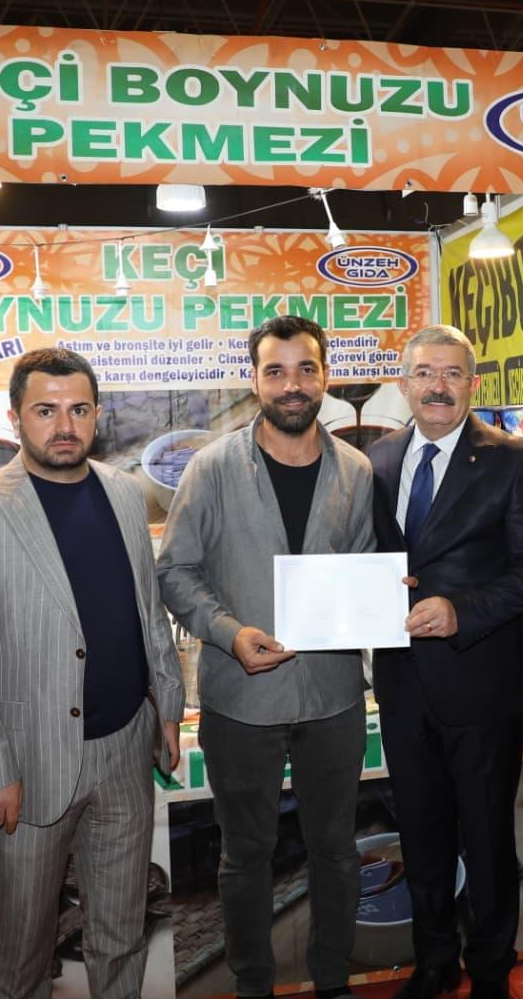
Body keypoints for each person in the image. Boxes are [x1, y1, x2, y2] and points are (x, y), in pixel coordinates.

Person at [0, 347, 185, 998]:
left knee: (121, 932)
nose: (64, 426)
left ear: (97, 415)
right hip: (29, 762)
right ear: (16, 418)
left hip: (126, 748)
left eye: (78, 410)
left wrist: (167, 704)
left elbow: (148, 610)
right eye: (45, 411)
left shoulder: (126, 494)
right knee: (20, 944)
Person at [156, 316, 374, 999]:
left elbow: (361, 568)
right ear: (254, 381)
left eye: (306, 369)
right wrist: (228, 632)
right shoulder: (213, 467)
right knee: (245, 855)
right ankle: (254, 985)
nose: (292, 385)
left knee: (336, 850)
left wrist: (383, 595)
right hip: (240, 697)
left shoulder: (356, 469)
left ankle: (332, 980)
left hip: (333, 696)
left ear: (325, 376)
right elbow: (176, 571)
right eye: (275, 371)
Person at [365, 324, 523, 999]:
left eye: (451, 374)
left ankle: (492, 970)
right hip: (402, 686)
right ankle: (434, 962)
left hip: (481, 684)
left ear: (473, 384)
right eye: (424, 373)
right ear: (404, 384)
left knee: (486, 839)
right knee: (420, 838)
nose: (437, 386)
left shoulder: (513, 460)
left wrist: (463, 611)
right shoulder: (375, 461)